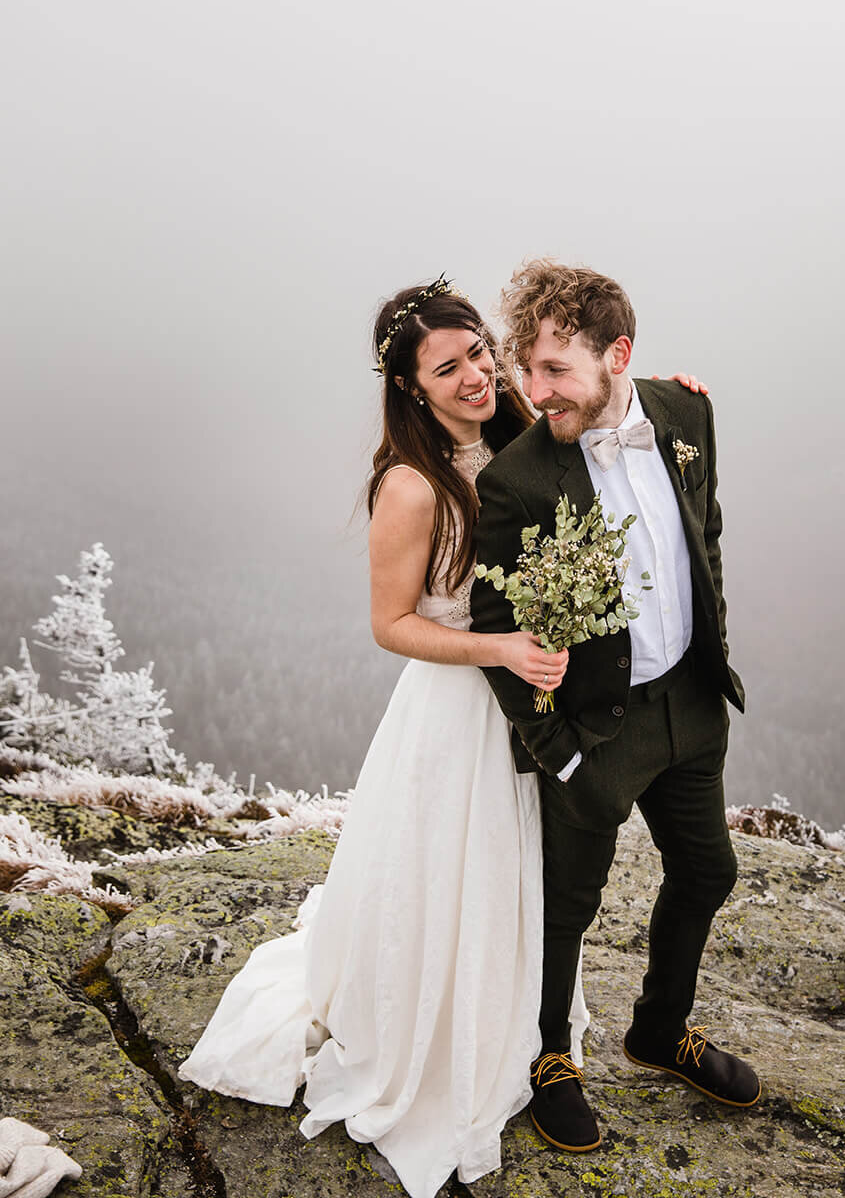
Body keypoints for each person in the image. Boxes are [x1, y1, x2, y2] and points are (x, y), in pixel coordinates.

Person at [179, 274, 705, 1197]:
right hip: (455, 716)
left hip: (537, 710)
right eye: (447, 367)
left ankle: (525, 1031)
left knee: (524, 882)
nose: (475, 377)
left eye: (478, 354)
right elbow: (390, 623)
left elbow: (597, 407)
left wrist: (658, 389)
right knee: (450, 879)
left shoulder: (524, 440)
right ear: (412, 389)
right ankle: (441, 1043)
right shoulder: (412, 486)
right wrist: (497, 644)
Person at [470, 260, 760, 1156]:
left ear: (617, 355)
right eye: (526, 369)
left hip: (690, 706)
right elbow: (496, 626)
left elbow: (704, 532)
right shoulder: (517, 479)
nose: (532, 390)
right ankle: (551, 1057)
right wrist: (553, 748)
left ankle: (657, 1030)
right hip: (594, 732)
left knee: (708, 873)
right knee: (565, 907)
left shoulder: (686, 412)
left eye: (554, 370)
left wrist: (711, 659)